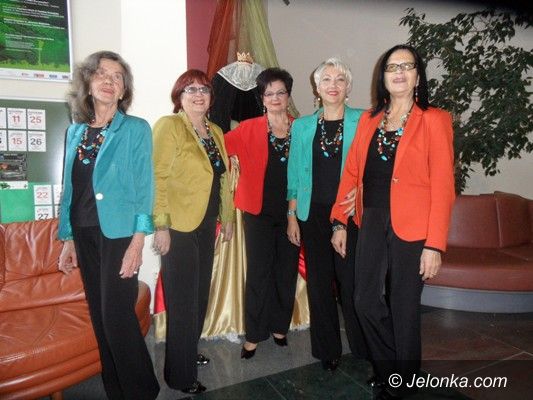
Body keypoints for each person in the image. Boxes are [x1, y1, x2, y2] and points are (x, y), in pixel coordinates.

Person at [331, 44, 455, 399]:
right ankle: (393, 370)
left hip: (414, 227)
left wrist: (434, 245)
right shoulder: (370, 120)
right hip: (371, 219)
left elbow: (444, 186)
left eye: (406, 66)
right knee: (363, 301)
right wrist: (339, 221)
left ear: (417, 76)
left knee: (404, 307)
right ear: (382, 77)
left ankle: (402, 382)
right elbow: (352, 172)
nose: (399, 72)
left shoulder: (434, 119)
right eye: (391, 67)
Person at [57, 51, 159, 400]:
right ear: (88, 83)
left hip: (118, 235)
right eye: (101, 74)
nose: (109, 81)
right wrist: (67, 238)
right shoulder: (75, 132)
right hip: (84, 232)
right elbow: (70, 189)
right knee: (101, 319)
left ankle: (142, 391)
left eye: (117, 77)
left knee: (116, 318)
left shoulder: (135, 129)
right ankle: (117, 390)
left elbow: (145, 188)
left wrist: (137, 242)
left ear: (123, 90)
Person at [152, 69, 234, 395]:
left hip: (206, 222)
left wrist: (227, 217)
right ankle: (180, 376)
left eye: (204, 89)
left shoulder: (215, 131)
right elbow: (157, 177)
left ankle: (187, 351)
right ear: (179, 96)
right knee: (183, 301)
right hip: (178, 227)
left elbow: (223, 178)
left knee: (199, 296)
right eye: (191, 90)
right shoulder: (170, 126)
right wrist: (161, 225)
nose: (198, 95)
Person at [286, 57, 368, 371]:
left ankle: (363, 346)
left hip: (349, 213)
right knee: (319, 284)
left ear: (348, 87)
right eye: (326, 80)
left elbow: (373, 167)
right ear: (317, 88)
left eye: (340, 80)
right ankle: (327, 350)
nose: (333, 86)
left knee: (351, 283)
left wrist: (360, 192)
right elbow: (294, 174)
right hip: (312, 214)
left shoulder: (364, 120)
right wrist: (292, 214)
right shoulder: (303, 125)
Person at [224, 68, 300, 359]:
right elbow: (218, 146)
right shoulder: (248, 128)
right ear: (262, 98)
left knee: (286, 270)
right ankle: (254, 334)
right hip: (258, 212)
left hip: (293, 212)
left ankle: (280, 327)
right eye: (269, 93)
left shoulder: (301, 129)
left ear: (288, 95)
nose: (275, 98)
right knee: (259, 272)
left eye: (280, 92)